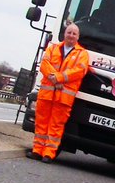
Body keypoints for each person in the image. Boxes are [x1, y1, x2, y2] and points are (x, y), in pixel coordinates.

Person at [28, 22, 92, 162]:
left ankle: (48, 154)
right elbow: (44, 65)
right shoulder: (52, 48)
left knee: (56, 127)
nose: (71, 35)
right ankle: (37, 151)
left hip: (63, 98)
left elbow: (79, 72)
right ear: (64, 33)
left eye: (74, 33)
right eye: (69, 32)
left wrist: (57, 78)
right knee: (41, 123)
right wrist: (56, 80)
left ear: (78, 36)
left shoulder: (82, 54)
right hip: (46, 95)